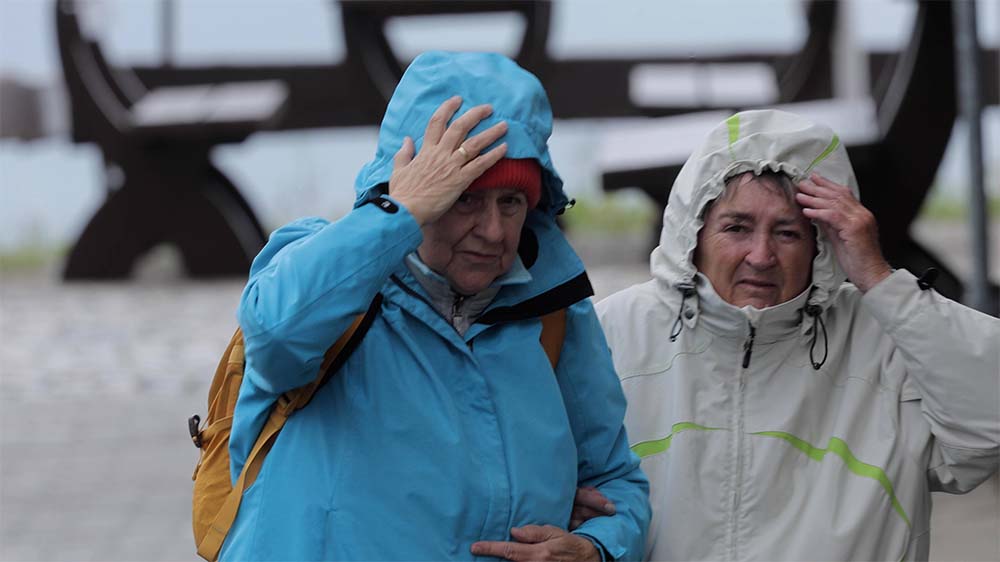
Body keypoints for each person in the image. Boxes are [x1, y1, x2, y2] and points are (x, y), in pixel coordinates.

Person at [220, 51, 650, 561]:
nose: (492, 231)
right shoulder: (323, 270)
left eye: (510, 203)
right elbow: (274, 336)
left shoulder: (553, 310)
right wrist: (396, 214)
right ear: (414, 185)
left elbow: (615, 482)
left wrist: (595, 549)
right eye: (464, 198)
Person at [592, 109, 999, 561]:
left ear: (822, 246)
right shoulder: (613, 331)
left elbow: (987, 428)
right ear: (694, 231)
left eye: (788, 232)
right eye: (737, 228)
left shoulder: (887, 340)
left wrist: (881, 281)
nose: (761, 256)